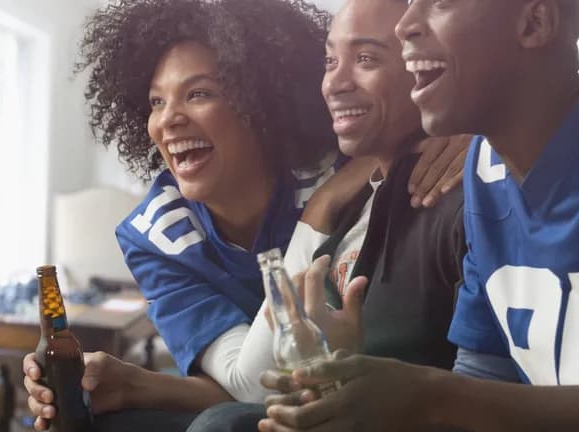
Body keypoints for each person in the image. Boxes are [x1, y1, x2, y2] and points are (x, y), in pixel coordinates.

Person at [256, 0, 579, 431]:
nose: (406, 24)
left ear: (535, 22)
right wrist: (355, 399)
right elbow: (485, 376)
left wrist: (430, 396)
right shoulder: (485, 167)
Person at [21, 0, 465, 429]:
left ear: (260, 102)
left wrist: (463, 131)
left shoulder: (340, 162)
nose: (168, 119)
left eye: (198, 93)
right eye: (156, 102)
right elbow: (244, 384)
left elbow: (409, 114)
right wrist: (135, 384)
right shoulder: (156, 235)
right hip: (273, 390)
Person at [185, 0, 471, 429]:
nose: (335, 82)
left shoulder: (457, 198)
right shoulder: (355, 199)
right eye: (330, 60)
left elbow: (485, 388)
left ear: (427, 68)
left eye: (366, 58)